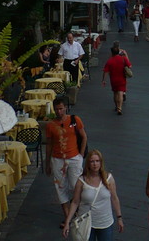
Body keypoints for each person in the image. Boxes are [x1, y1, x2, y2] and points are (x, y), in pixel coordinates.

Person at [62, 149, 124, 241]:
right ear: (88, 164)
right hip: (86, 223)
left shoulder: (109, 178)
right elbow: (75, 202)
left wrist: (119, 217)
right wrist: (67, 222)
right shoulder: (81, 180)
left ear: (101, 162)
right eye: (92, 161)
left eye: (97, 161)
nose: (95, 164)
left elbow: (114, 198)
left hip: (105, 222)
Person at [46, 96, 88, 229]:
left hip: (74, 158)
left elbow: (84, 136)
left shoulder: (75, 120)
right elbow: (49, 145)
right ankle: (67, 217)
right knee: (60, 187)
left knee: (77, 186)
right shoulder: (50, 125)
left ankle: (75, 212)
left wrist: (81, 155)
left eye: (61, 109)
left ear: (65, 108)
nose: (59, 112)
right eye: (56, 109)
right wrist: (47, 163)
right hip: (57, 159)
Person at [101, 42, 131, 115]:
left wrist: (103, 80)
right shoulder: (123, 59)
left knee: (115, 93)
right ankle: (119, 108)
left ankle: (116, 106)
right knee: (120, 93)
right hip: (122, 78)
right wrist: (126, 55)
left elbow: (105, 71)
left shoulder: (110, 61)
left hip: (113, 79)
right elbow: (129, 65)